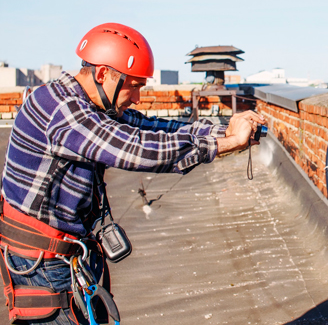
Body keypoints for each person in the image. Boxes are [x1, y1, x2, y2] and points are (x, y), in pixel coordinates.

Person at [0, 23, 265, 324]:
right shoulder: (60, 109)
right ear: (102, 74)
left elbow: (150, 127)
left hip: (66, 254)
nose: (138, 97)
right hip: (43, 267)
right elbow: (137, 149)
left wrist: (223, 130)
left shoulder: (89, 104)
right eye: (134, 85)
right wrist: (227, 144)